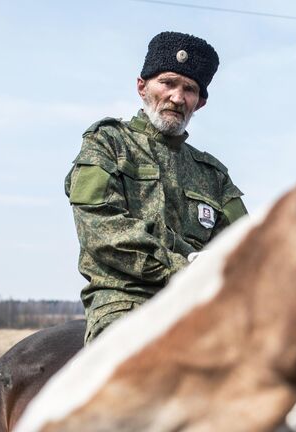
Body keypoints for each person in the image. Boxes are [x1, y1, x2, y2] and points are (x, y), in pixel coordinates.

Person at [65, 32, 247, 344]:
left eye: (189, 89)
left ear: (199, 103)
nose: (177, 97)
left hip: (201, 307)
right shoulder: (107, 143)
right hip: (125, 302)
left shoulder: (214, 175)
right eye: (168, 82)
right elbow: (103, 233)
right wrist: (187, 270)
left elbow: (246, 244)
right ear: (142, 87)